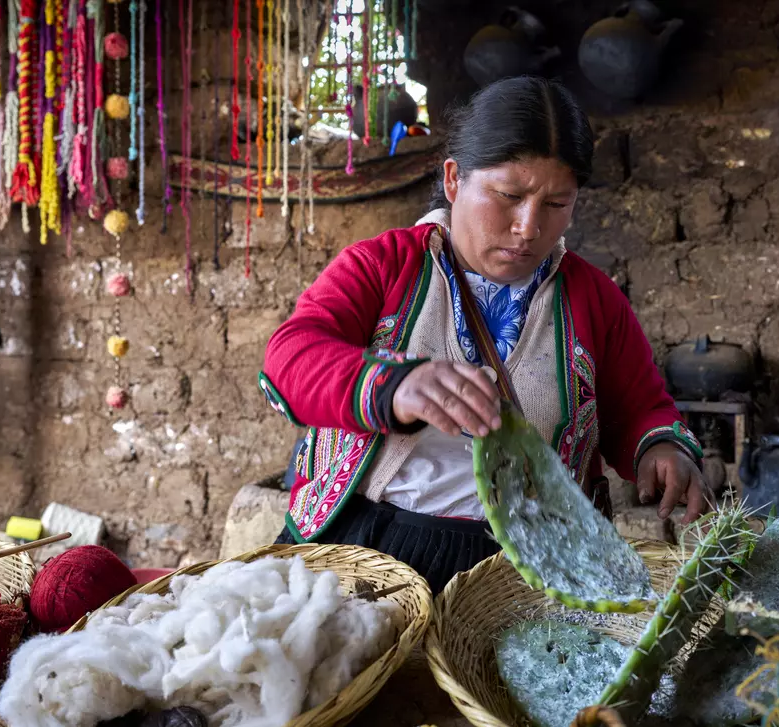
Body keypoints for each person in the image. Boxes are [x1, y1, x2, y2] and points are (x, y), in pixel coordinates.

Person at [258, 76, 710, 593]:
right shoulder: (383, 267)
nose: (528, 226)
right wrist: (392, 386)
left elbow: (639, 407)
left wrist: (659, 450)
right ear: (454, 180)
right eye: (509, 196)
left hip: (528, 569)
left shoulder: (594, 299)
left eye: (557, 204)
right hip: (370, 548)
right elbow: (289, 359)